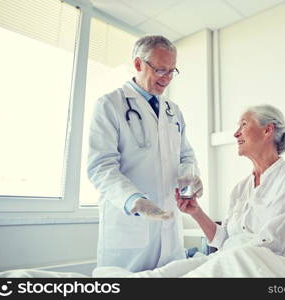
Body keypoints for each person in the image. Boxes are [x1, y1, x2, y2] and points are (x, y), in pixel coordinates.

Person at [93, 104, 285, 278]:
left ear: (268, 130)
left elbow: (271, 244)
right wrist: (196, 212)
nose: (236, 133)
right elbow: (223, 239)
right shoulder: (241, 188)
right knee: (175, 269)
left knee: (224, 260)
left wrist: (219, 259)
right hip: (238, 256)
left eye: (243, 125)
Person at [87, 35, 203, 272]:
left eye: (172, 71)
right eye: (161, 70)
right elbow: (101, 166)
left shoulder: (173, 111)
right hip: (129, 229)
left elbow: (186, 155)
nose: (167, 78)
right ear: (139, 64)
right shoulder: (110, 105)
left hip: (169, 230)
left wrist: (189, 176)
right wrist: (133, 200)